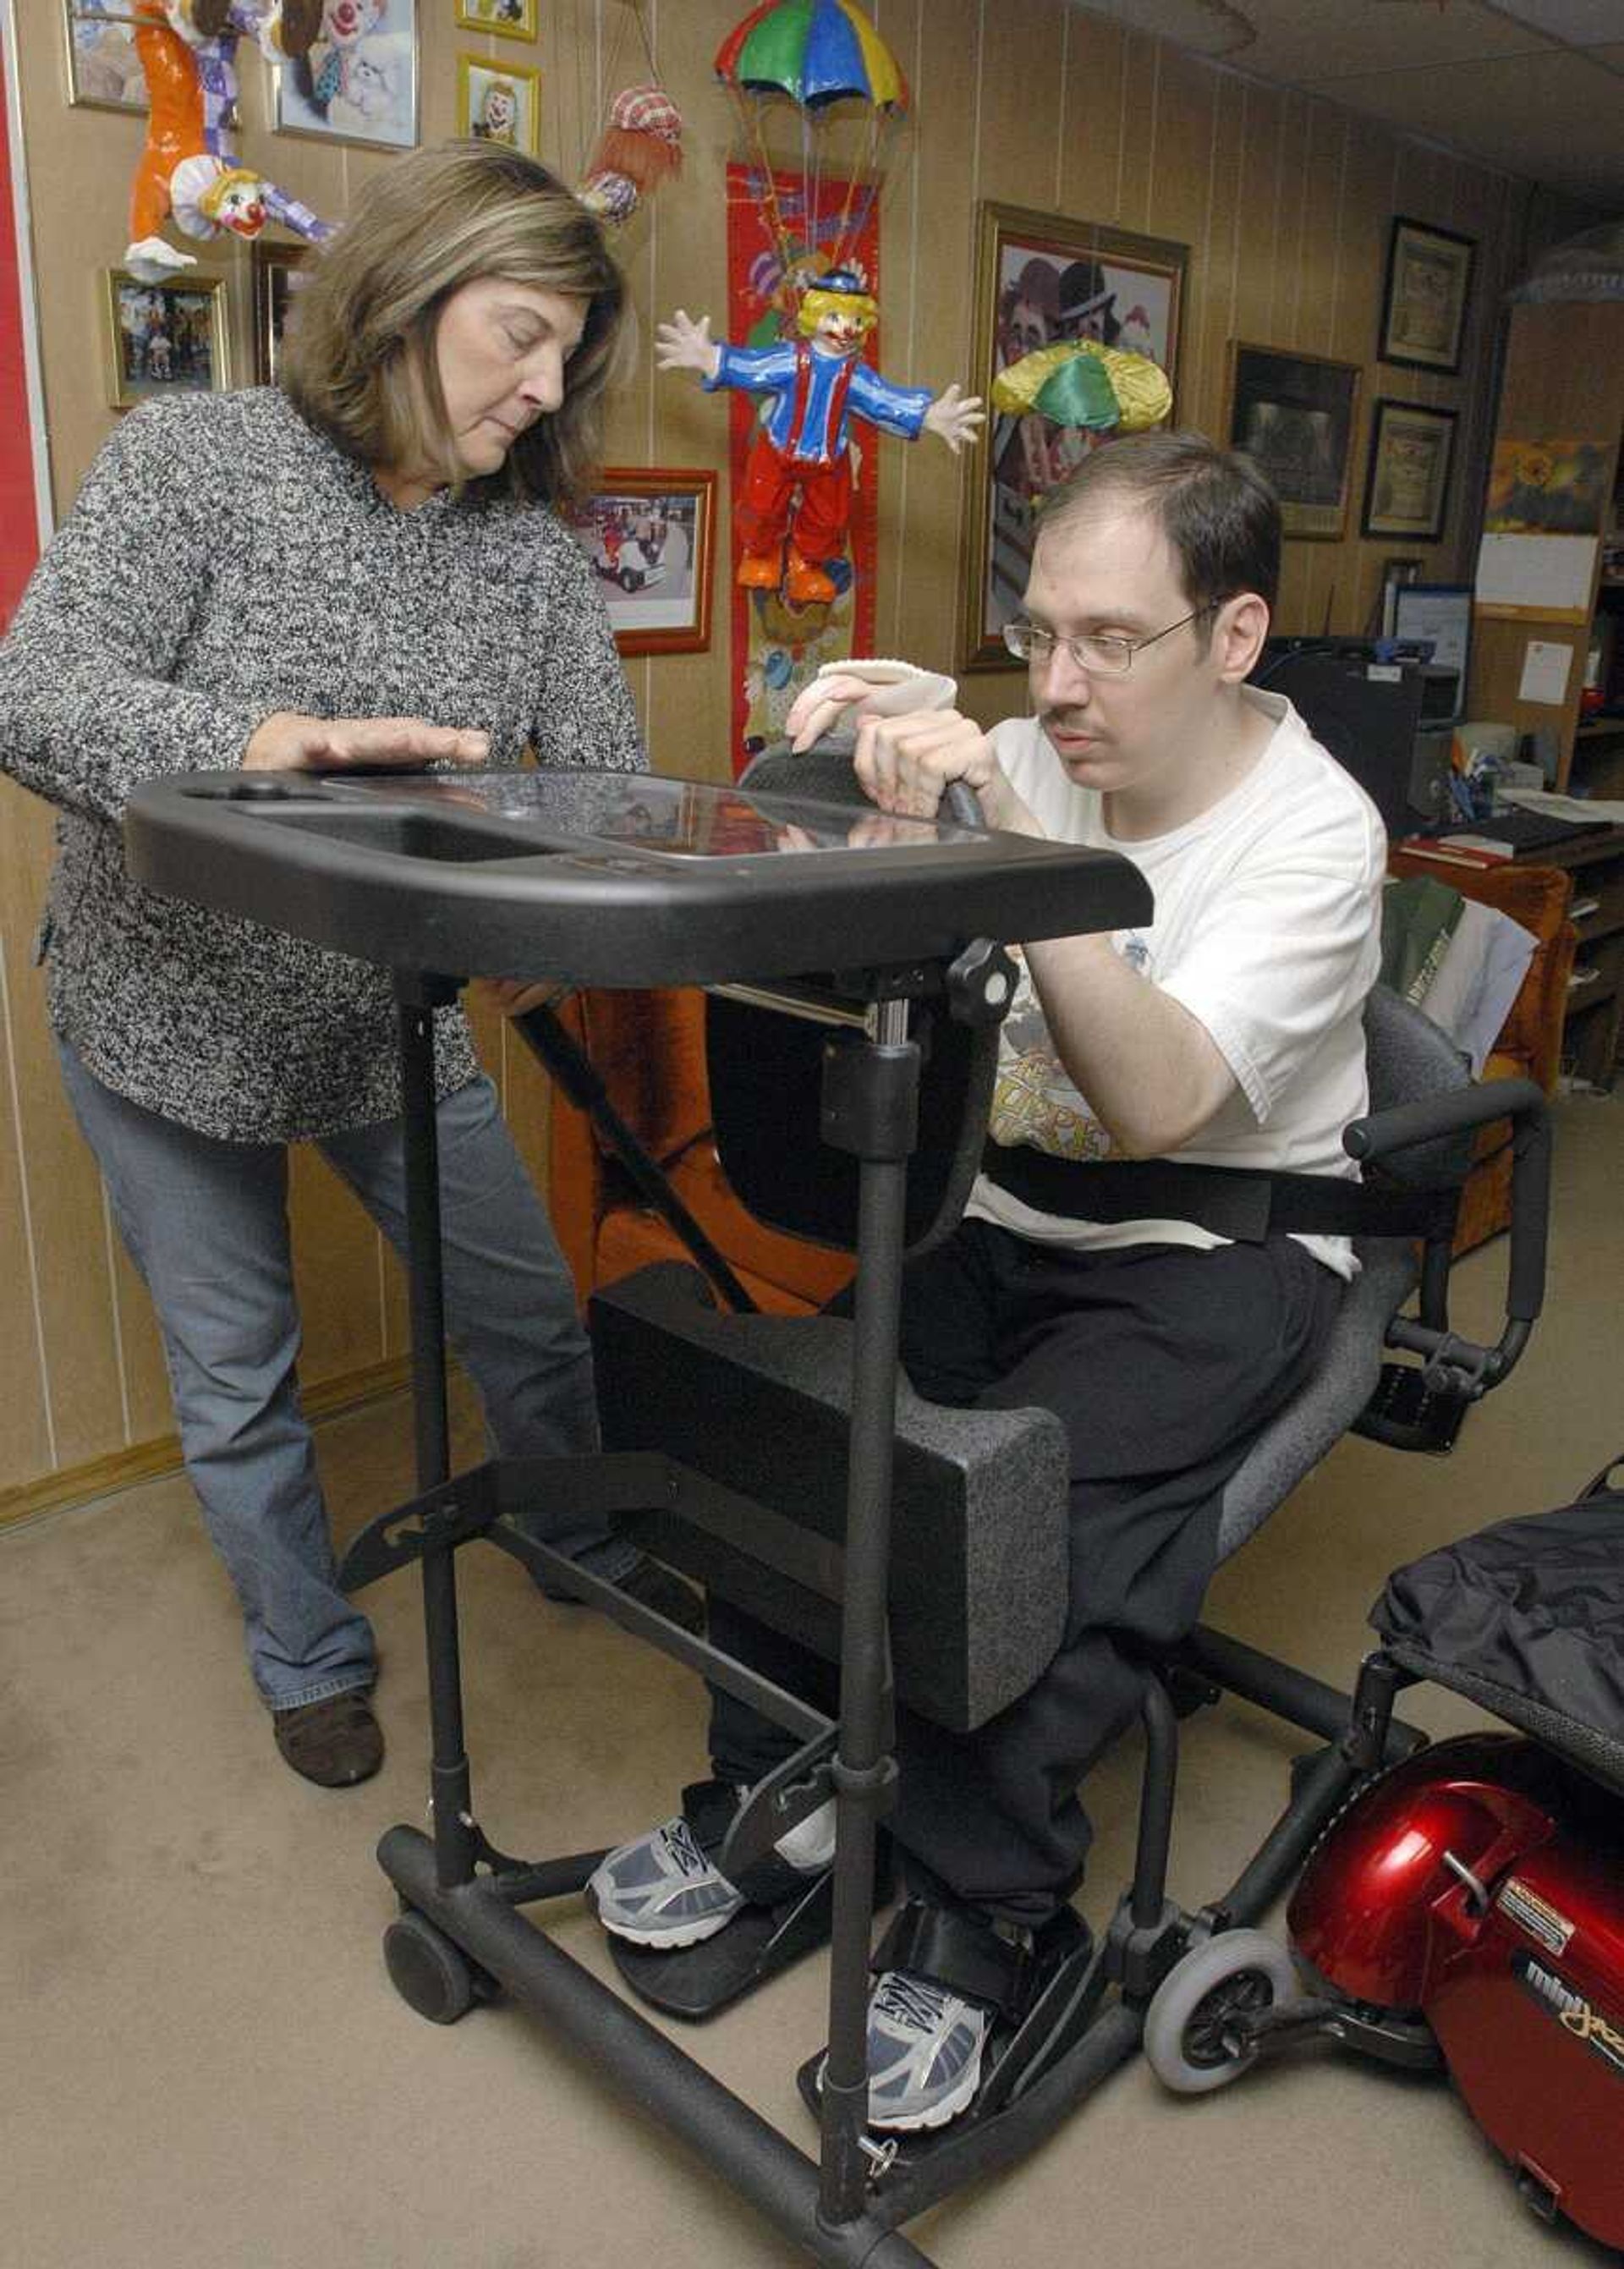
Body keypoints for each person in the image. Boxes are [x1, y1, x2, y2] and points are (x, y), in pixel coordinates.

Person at [587, 431, 1386, 2134]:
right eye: (1038, 632)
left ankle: (984, 1915)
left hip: (1215, 1252)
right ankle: (788, 1790)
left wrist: (1011, 834)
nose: (1059, 679)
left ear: (1233, 638)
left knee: (1007, 1527)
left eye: (1111, 638)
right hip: (1005, 1218)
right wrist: (831, 811)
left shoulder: (1318, 835)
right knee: (813, 1431)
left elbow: (1160, 1100)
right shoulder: (1027, 744)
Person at [0, 140, 700, 1792]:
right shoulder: (197, 457)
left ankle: (574, 1539)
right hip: (163, 1013)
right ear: (403, 294)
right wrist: (266, 742)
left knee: (531, 1325)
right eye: (520, 333)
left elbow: (594, 762)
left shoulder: (524, 548)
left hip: (391, 1022)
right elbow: (30, 695)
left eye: (568, 355)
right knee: (241, 1380)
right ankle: (308, 1653)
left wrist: (566, 897)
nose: (545, 386)